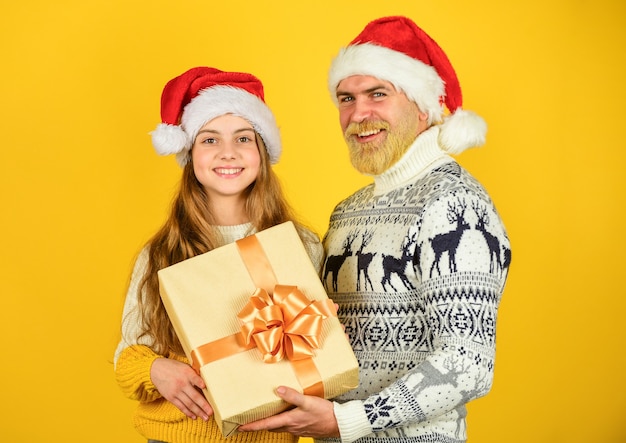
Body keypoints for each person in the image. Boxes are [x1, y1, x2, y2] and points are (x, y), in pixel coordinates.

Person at [239, 16, 511, 443]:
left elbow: (468, 363)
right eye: (346, 98)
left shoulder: (455, 205)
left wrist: (348, 421)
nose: (358, 114)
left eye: (377, 94)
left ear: (424, 107)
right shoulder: (347, 213)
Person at [113, 67, 324, 443]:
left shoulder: (301, 245)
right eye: (209, 140)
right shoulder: (160, 253)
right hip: (175, 437)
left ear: (262, 152)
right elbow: (128, 355)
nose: (228, 152)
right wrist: (155, 370)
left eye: (243, 138)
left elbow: (321, 353)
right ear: (190, 154)